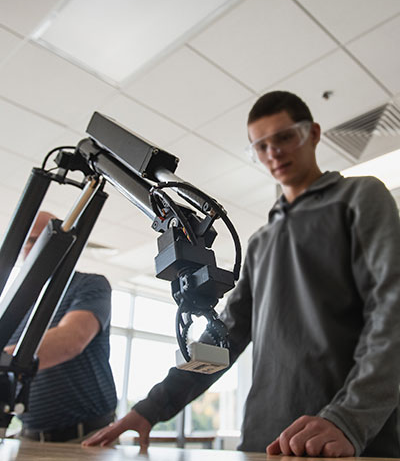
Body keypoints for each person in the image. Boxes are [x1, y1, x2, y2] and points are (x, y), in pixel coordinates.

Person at [83, 91, 400, 456]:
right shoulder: (262, 241)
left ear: (312, 133)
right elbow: (225, 339)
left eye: (284, 137)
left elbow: (391, 313)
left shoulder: (359, 198)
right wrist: (150, 409)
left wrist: (349, 418)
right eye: (261, 146)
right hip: (265, 438)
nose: (273, 153)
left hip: (344, 439)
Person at [5, 211, 117, 442]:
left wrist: (6, 359)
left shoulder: (89, 284)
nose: (31, 248)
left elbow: (71, 340)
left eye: (40, 240)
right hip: (29, 437)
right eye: (28, 242)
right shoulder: (16, 304)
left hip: (87, 436)